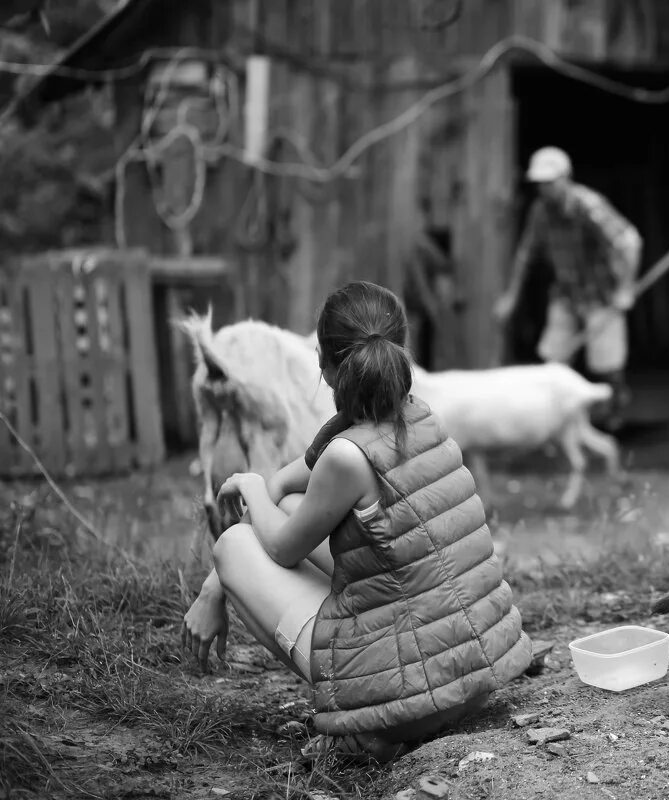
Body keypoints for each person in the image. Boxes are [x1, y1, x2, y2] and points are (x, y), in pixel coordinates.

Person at [181, 281, 532, 763]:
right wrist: (275, 488)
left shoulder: (346, 458)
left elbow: (281, 547)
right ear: (397, 352)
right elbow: (297, 481)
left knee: (236, 546)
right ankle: (384, 705)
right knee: (283, 510)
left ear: (323, 366)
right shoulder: (417, 414)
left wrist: (249, 484)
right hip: (474, 671)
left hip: (414, 705)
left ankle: (364, 723)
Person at [493, 146, 642, 429]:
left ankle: (614, 418)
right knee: (552, 359)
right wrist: (511, 297)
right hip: (566, 293)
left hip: (602, 295)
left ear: (565, 178)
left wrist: (625, 289)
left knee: (606, 364)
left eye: (550, 182)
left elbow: (630, 242)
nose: (545, 189)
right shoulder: (540, 212)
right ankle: (557, 423)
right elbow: (526, 254)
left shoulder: (588, 206)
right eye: (540, 184)